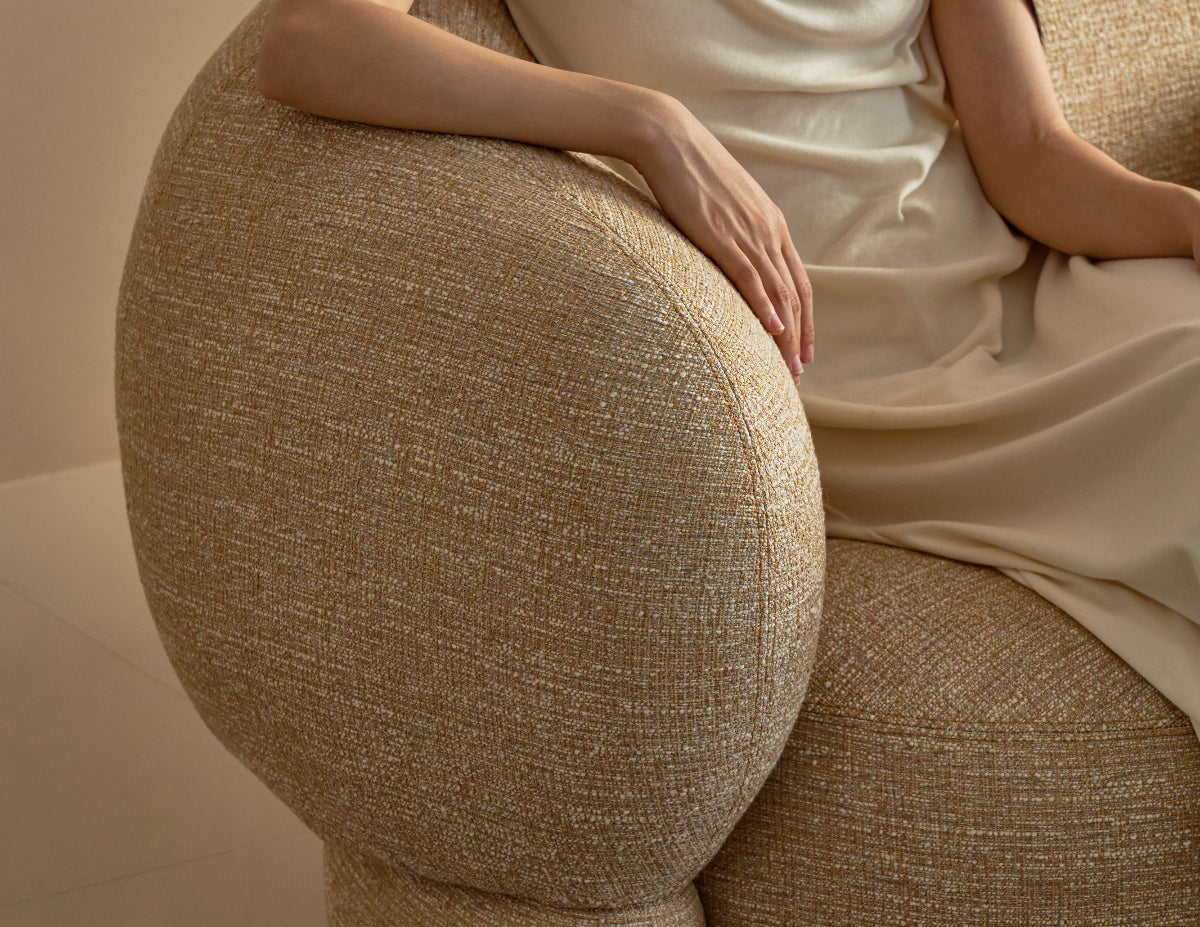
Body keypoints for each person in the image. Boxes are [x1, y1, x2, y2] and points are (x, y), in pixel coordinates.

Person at [255, 0, 1200, 743]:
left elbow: (1030, 153)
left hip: (1036, 299)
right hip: (846, 373)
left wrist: (1186, 217)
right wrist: (645, 123)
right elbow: (307, 37)